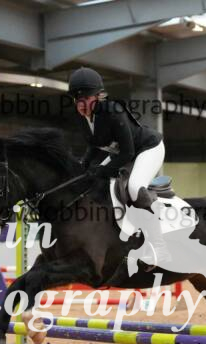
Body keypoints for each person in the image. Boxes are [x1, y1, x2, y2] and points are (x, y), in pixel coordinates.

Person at [67, 66, 171, 264]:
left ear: (97, 96)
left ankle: (159, 246)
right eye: (77, 99)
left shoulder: (113, 111)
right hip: (121, 153)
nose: (81, 103)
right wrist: (83, 166)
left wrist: (102, 170)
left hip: (148, 148)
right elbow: (94, 144)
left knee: (134, 187)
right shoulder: (82, 117)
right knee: (91, 182)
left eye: (85, 98)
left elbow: (128, 152)